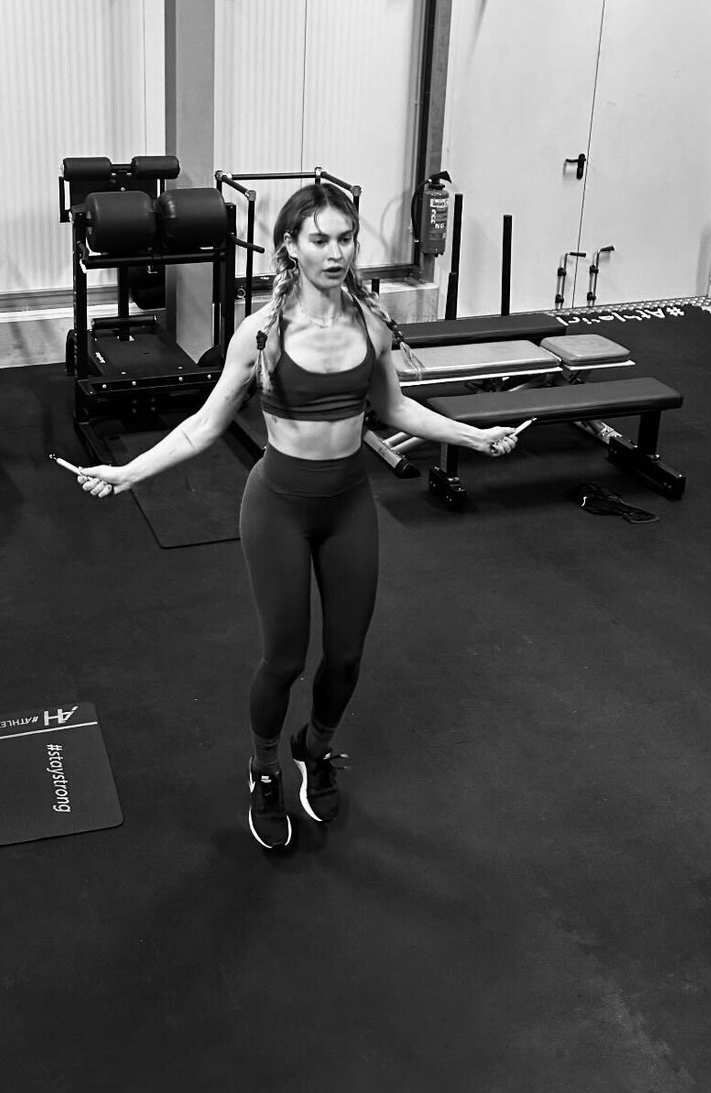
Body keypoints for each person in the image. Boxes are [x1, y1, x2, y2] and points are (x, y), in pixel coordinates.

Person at [76, 182, 521, 853]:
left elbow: (395, 410)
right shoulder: (262, 334)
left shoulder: (371, 323)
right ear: (291, 246)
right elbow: (203, 426)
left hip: (349, 504)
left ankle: (314, 746)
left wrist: (473, 437)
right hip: (278, 508)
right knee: (284, 660)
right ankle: (263, 768)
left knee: (346, 655)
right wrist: (128, 472)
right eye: (320, 240)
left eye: (346, 239)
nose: (336, 253)